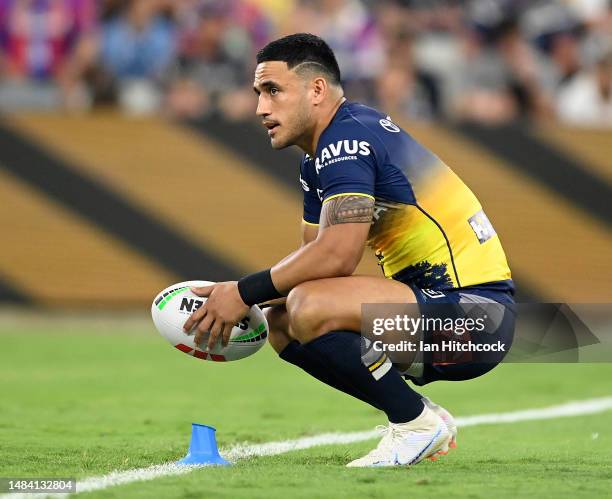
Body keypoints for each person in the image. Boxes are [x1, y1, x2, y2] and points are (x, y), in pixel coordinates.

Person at [183, 33, 515, 467]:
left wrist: (242, 292)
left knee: (305, 305)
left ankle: (413, 422)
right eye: (258, 94)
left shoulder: (346, 142)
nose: (261, 108)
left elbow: (337, 257)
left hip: (475, 320)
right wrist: (241, 302)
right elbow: (315, 266)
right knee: (281, 322)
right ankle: (420, 415)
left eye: (273, 90)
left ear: (317, 89)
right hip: (445, 316)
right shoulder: (319, 157)